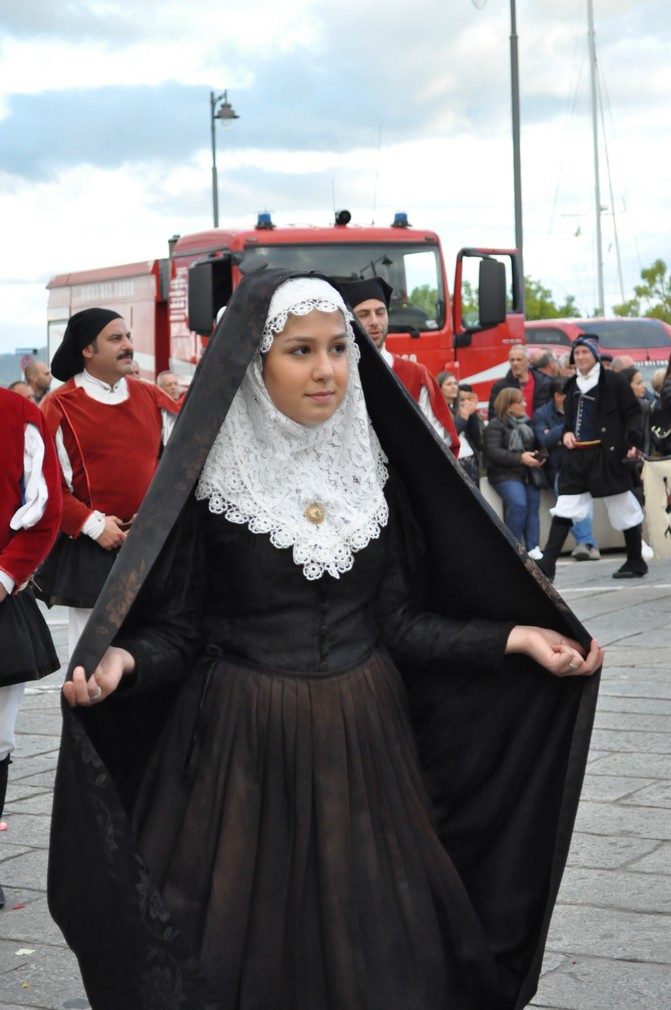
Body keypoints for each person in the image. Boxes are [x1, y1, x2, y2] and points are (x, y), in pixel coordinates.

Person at [48, 272, 602, 1010]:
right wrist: (124, 658)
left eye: (339, 349)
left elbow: (399, 623)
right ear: (255, 361)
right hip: (239, 744)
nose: (325, 370)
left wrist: (515, 637)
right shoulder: (210, 483)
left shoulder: (372, 476)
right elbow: (180, 630)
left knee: (373, 938)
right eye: (300, 350)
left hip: (364, 737)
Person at [35, 308, 179, 655]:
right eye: (116, 339)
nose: (128, 345)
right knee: (94, 655)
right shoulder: (58, 406)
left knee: (154, 649)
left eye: (128, 337)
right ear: (88, 349)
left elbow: (180, 469)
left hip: (151, 542)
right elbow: (45, 484)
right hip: (92, 545)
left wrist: (158, 520)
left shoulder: (154, 398)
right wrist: (93, 524)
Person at [0, 387, 62, 908]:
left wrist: (4, 576)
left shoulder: (17, 412)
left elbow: (45, 509)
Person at [537, 335, 647, 581]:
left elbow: (632, 413)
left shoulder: (614, 382)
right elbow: (568, 420)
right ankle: (548, 564)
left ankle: (636, 560)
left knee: (622, 504)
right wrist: (566, 433)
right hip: (578, 456)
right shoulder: (572, 384)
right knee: (566, 506)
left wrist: (632, 442)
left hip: (606, 455)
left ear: (595, 355)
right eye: (577, 354)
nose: (580, 357)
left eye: (585, 353)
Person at [340, 277, 459, 454]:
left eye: (380, 312)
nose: (374, 321)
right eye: (364, 314)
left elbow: (441, 441)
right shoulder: (336, 375)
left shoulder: (415, 375)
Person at [533, 377, 601, 562]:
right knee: (566, 501)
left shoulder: (579, 408)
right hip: (558, 467)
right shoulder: (542, 413)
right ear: (558, 396)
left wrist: (556, 434)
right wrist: (566, 429)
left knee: (584, 502)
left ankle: (585, 544)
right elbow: (544, 441)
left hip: (582, 463)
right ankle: (587, 543)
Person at [484, 387, 546, 559]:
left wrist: (538, 456)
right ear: (509, 406)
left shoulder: (527, 422)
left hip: (528, 473)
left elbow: (536, 445)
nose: (525, 404)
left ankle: (533, 547)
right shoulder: (495, 426)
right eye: (520, 402)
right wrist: (520, 458)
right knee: (519, 505)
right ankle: (514, 548)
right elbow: (493, 452)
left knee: (533, 505)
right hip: (505, 474)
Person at [436, 371, 482, 485]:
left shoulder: (459, 408)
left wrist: (472, 413)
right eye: (449, 384)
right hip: (453, 461)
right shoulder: (436, 411)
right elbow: (449, 436)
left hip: (469, 458)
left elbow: (476, 437)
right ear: (439, 388)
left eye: (455, 384)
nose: (453, 387)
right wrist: (464, 417)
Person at [488, 344, 552, 420]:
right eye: (512, 360)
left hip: (537, 429)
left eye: (519, 360)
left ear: (528, 361)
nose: (515, 363)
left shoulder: (544, 383)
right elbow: (493, 415)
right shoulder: (499, 387)